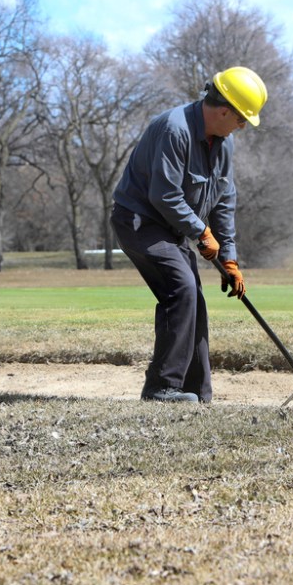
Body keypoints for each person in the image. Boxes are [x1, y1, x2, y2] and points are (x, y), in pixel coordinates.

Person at [110, 66, 268, 404]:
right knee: (180, 289)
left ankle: (197, 391)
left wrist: (229, 256)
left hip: (172, 229)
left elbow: (224, 201)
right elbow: (164, 195)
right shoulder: (174, 129)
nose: (242, 126)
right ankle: (160, 389)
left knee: (193, 298)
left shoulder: (224, 145)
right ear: (224, 110)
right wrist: (201, 232)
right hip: (139, 221)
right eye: (242, 119)